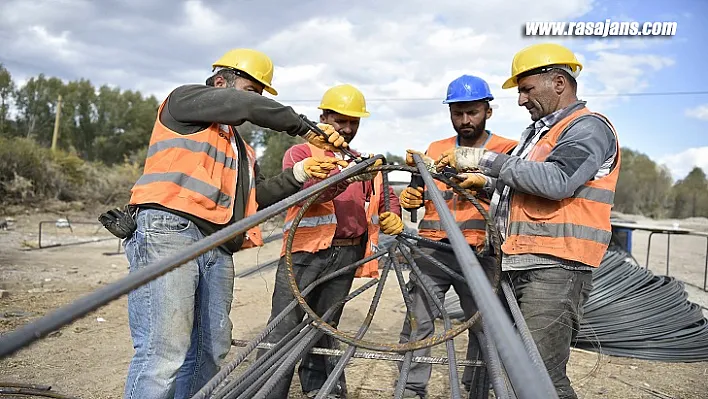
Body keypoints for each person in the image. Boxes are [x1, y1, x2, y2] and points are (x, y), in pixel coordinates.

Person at [122, 48, 350, 399]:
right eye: (251, 90)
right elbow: (246, 107)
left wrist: (300, 174)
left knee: (210, 352)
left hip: (217, 244)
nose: (254, 101)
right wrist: (306, 128)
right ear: (220, 81)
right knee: (163, 354)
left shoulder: (240, 149)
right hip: (168, 231)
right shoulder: (183, 102)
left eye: (260, 94)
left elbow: (254, 198)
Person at [435, 43, 621, 399]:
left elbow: (558, 181)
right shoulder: (537, 134)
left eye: (526, 89)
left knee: (541, 377)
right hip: (519, 262)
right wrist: (488, 185)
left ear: (558, 82)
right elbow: (526, 189)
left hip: (555, 268)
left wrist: (482, 159)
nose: (521, 100)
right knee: (510, 369)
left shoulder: (587, 127)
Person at [259, 84, 404, 399]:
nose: (347, 128)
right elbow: (311, 195)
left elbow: (385, 193)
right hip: (304, 254)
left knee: (326, 327)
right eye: (340, 121)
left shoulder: (362, 160)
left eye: (353, 122)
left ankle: (321, 389)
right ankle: (268, 391)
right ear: (323, 117)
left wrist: (395, 212)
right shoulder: (301, 154)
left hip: (347, 254)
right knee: (285, 326)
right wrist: (348, 178)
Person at [395, 75, 517, 399]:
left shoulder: (506, 150)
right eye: (458, 113)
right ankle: (409, 389)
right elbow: (417, 192)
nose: (465, 120)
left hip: (481, 253)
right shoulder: (435, 150)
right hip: (433, 248)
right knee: (418, 320)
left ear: (487, 111)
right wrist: (411, 198)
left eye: (472, 112)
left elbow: (515, 197)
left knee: (483, 326)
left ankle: (477, 389)